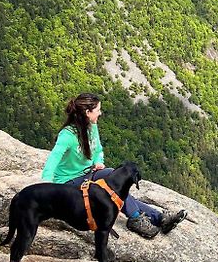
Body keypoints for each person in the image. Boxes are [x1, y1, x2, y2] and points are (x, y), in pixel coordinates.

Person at [42, 92, 187, 238]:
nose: (100, 113)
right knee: (112, 177)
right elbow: (53, 158)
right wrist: (47, 187)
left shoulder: (91, 127)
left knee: (119, 193)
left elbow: (98, 150)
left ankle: (158, 218)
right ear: (87, 112)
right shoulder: (67, 135)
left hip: (87, 176)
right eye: (98, 110)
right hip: (68, 184)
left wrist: (98, 161)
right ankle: (137, 218)